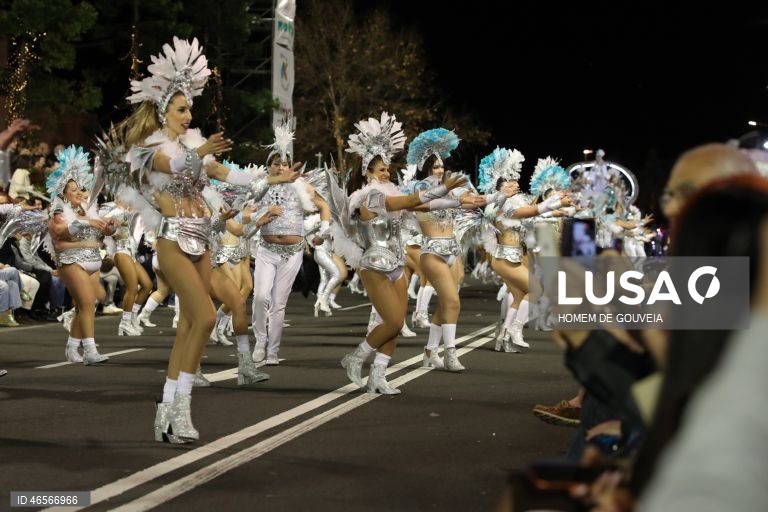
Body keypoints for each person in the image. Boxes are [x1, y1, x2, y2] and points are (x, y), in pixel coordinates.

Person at [120, 37, 298, 443]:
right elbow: (177, 164)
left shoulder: (191, 143)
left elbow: (227, 175)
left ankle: (167, 412)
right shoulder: (150, 148)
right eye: (181, 109)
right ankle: (177, 411)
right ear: (163, 110)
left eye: (189, 109)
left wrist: (270, 178)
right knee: (201, 316)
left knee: (189, 324)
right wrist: (199, 151)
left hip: (203, 242)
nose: (188, 115)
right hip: (172, 242)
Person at [334, 112, 468, 394]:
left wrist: (459, 203)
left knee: (394, 326)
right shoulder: (368, 197)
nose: (385, 173)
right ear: (367, 172)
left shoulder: (390, 192)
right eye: (380, 169)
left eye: (386, 169)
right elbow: (407, 201)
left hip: (397, 262)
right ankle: (355, 357)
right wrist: (443, 188)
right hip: (374, 264)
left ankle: (378, 376)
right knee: (393, 322)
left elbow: (419, 208)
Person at [406, 128, 492, 370]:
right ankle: (450, 352)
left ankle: (430, 351)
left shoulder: (450, 188)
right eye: (435, 167)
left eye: (441, 166)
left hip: (453, 252)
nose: (440, 170)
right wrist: (457, 199)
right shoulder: (417, 189)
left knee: (446, 303)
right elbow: (425, 206)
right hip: (431, 251)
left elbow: (477, 201)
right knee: (453, 302)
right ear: (425, 169)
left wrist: (498, 197)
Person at [250, 123, 330, 366]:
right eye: (276, 163)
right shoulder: (260, 185)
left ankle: (273, 351)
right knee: (260, 297)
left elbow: (325, 205)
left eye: (284, 163)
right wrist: (261, 215)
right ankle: (260, 341)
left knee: (279, 304)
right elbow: (248, 206)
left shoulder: (302, 186)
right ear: (269, 166)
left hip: (292, 252)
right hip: (266, 250)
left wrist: (324, 232)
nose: (281, 167)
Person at [46, 146, 116, 364]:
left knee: (85, 305)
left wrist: (110, 228)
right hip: (71, 261)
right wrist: (86, 222)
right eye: (72, 189)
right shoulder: (58, 210)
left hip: (92, 260)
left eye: (79, 188)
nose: (77, 192)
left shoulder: (88, 209)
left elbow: (103, 231)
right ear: (63, 192)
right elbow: (61, 232)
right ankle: (90, 351)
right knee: (87, 302)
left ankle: (72, 347)